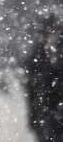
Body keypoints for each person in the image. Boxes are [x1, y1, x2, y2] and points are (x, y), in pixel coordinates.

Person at [25, 14, 63, 142]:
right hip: (44, 115)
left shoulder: (58, 54)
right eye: (47, 32)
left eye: (53, 31)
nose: (51, 36)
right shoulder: (36, 56)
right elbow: (31, 90)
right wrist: (32, 118)